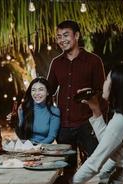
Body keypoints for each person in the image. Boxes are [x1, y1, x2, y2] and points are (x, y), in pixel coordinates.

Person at [50, 65, 123, 184]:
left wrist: (70, 183)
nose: (103, 83)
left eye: (107, 80)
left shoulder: (120, 120)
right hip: (119, 178)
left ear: (116, 86)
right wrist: (96, 109)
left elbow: (95, 161)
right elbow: (107, 144)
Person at [47, 20, 107, 167]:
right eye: (59, 36)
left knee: (94, 166)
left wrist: (102, 121)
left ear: (77, 35)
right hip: (63, 126)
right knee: (66, 169)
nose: (62, 40)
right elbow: (48, 91)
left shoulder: (94, 61)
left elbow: (102, 92)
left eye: (66, 35)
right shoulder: (56, 63)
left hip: (87, 124)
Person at [7, 77, 60, 144]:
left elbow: (51, 137)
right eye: (33, 90)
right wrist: (15, 124)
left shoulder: (54, 111)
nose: (36, 93)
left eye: (41, 90)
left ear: (48, 92)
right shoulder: (24, 107)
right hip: (25, 147)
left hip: (43, 148)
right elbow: (21, 135)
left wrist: (37, 148)